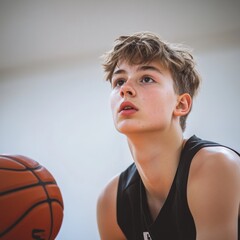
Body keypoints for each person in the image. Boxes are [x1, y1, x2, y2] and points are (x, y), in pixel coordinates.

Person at [96, 31, 240, 240]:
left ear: (181, 104)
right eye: (119, 81)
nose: (125, 89)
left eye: (146, 78)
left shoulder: (216, 165)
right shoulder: (110, 200)